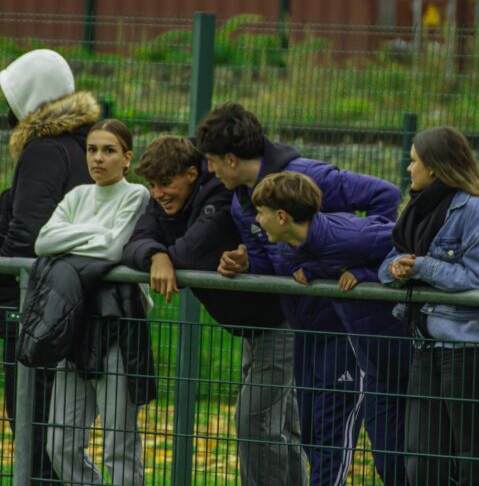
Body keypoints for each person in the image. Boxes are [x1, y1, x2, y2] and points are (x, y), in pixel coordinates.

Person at [196, 102, 407, 485]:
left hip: (345, 327)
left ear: (231, 159)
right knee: (310, 434)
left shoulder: (309, 176)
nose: (210, 170)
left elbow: (386, 197)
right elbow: (270, 264)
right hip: (304, 328)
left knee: (332, 443)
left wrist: (360, 266)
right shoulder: (243, 204)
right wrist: (245, 263)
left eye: (211, 161)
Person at [122, 135, 308, 486]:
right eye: (152, 186)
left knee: (255, 421)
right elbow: (133, 244)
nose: (158, 194)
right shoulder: (164, 202)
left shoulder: (220, 196)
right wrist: (155, 255)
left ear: (192, 174)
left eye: (165, 184)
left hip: (280, 319)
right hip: (253, 325)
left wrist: (165, 254)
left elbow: (191, 252)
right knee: (280, 424)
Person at [250, 171, 410, 485]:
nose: (257, 220)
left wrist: (365, 274)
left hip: (384, 346)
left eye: (261, 213)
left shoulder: (349, 237)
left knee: (339, 437)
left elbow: (404, 244)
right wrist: (312, 269)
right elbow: (317, 260)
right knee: (311, 430)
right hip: (323, 340)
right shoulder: (287, 242)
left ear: (281, 217)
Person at [34, 119, 153, 485]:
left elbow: (115, 248)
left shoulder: (136, 195)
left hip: (118, 325)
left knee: (118, 444)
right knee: (60, 444)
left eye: (108, 150)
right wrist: (97, 234)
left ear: (127, 158)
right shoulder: (77, 196)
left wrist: (71, 239)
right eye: (92, 149)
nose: (98, 158)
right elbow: (43, 242)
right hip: (73, 323)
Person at [0, 48, 100, 485]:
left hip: (35, 308)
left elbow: (27, 236)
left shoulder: (43, 151)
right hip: (71, 304)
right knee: (56, 437)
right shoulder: (82, 147)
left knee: (33, 430)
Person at [379, 126, 479, 485]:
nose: (408, 168)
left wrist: (421, 267)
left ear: (434, 167)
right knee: (421, 464)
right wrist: (398, 269)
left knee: (477, 464)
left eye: (413, 161)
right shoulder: (416, 210)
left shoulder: (476, 211)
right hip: (424, 347)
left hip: (468, 351)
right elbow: (386, 266)